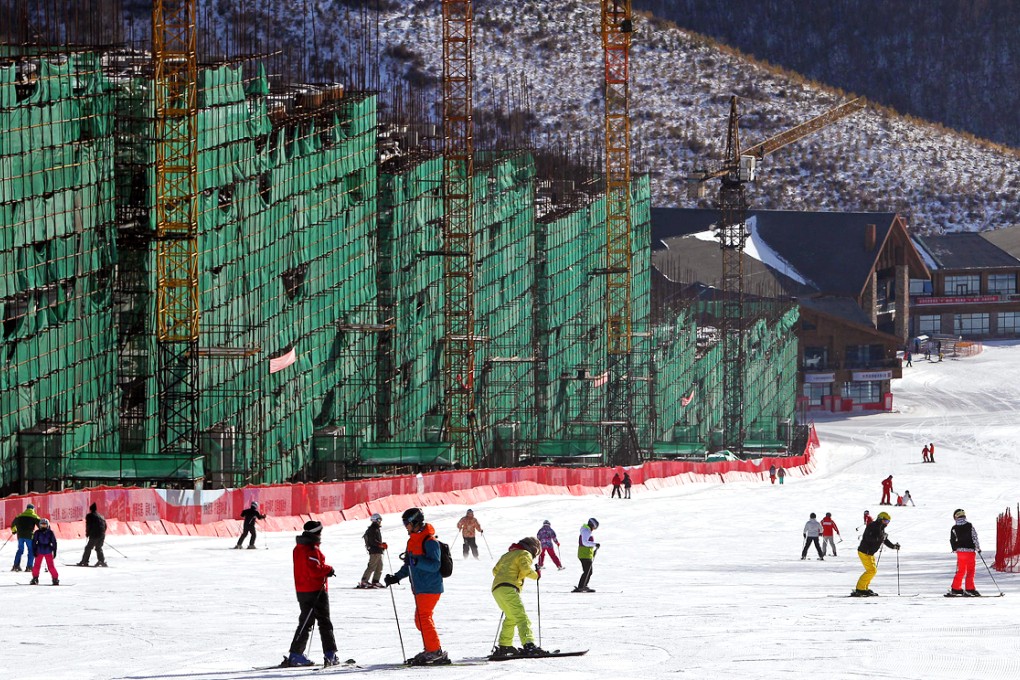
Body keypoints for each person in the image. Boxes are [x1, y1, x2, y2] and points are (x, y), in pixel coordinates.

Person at [384, 508, 449, 666]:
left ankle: (434, 651)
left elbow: (435, 565)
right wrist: (396, 577)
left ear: (415, 522)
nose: (405, 526)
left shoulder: (430, 541)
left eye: (407, 523)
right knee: (420, 621)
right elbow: (409, 565)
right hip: (419, 587)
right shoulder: (412, 541)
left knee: (424, 618)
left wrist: (417, 561)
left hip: (431, 587)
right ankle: (431, 649)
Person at [284, 520, 339, 667]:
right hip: (315, 590)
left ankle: (296, 654)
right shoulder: (311, 549)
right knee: (324, 622)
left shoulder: (299, 547)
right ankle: (329, 654)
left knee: (306, 622)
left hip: (302, 590)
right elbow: (315, 570)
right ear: (317, 533)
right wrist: (328, 569)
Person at [490, 537, 547, 659]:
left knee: (511, 617)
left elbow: (495, 571)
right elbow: (526, 569)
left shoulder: (507, 555)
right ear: (533, 548)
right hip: (509, 587)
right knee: (521, 616)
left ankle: (505, 645)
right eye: (536, 552)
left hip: (497, 589)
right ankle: (529, 644)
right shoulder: (524, 553)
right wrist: (536, 575)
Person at [852, 511, 899, 596]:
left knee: (873, 571)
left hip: (869, 553)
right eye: (885, 521)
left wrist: (893, 546)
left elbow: (883, 539)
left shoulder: (880, 527)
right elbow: (869, 538)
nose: (887, 523)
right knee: (871, 570)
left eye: (888, 521)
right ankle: (860, 589)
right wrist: (881, 537)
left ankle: (864, 588)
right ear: (880, 519)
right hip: (864, 552)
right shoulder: (872, 526)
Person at [948, 509, 981, 597]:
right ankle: (970, 589)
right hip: (969, 551)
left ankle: (956, 588)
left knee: (961, 570)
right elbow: (974, 537)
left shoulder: (954, 528)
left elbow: (952, 540)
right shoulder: (969, 525)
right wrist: (978, 548)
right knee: (970, 570)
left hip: (960, 553)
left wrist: (955, 549)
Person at [359, 513, 387, 589]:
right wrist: (380, 545)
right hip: (374, 551)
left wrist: (381, 546)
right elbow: (372, 541)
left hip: (378, 551)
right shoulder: (373, 529)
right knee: (372, 566)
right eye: (379, 520)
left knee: (379, 567)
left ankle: (375, 581)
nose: (380, 521)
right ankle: (364, 581)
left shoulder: (376, 529)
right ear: (376, 520)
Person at [10, 503, 40, 572]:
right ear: (33, 509)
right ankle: (29, 567)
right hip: (29, 536)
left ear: (26, 508)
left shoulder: (19, 515)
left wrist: (14, 531)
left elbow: (13, 524)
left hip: (20, 535)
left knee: (20, 550)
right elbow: (40, 524)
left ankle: (16, 566)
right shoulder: (34, 516)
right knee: (31, 550)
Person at [572, 518, 599, 593]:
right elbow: (585, 542)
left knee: (588, 571)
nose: (594, 529)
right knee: (588, 571)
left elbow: (587, 543)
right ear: (592, 525)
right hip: (584, 554)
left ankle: (583, 586)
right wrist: (595, 544)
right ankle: (581, 586)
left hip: (586, 554)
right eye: (595, 527)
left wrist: (593, 550)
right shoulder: (586, 531)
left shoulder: (586, 531)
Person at [30, 518, 59, 586]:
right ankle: (35, 578)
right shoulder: (37, 532)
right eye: (42, 525)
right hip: (39, 550)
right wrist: (34, 550)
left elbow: (54, 542)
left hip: (48, 550)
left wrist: (54, 550)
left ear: (47, 525)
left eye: (44, 525)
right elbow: (34, 541)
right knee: (36, 566)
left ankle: (55, 578)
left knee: (51, 566)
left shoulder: (50, 532)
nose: (43, 526)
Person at [78, 502, 108, 567]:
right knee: (98, 548)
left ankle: (84, 561)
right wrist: (101, 534)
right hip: (102, 534)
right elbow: (105, 526)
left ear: (90, 509)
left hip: (94, 535)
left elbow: (88, 525)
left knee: (88, 548)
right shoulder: (101, 516)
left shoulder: (89, 516)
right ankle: (101, 561)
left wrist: (87, 533)